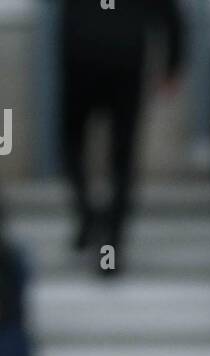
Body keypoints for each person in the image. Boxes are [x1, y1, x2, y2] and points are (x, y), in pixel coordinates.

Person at [59, 0, 183, 265]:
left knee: (79, 145)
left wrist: (173, 62)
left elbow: (170, 14)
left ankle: (95, 222)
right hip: (116, 59)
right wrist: (173, 63)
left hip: (87, 57)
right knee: (119, 156)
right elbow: (170, 15)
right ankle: (108, 234)